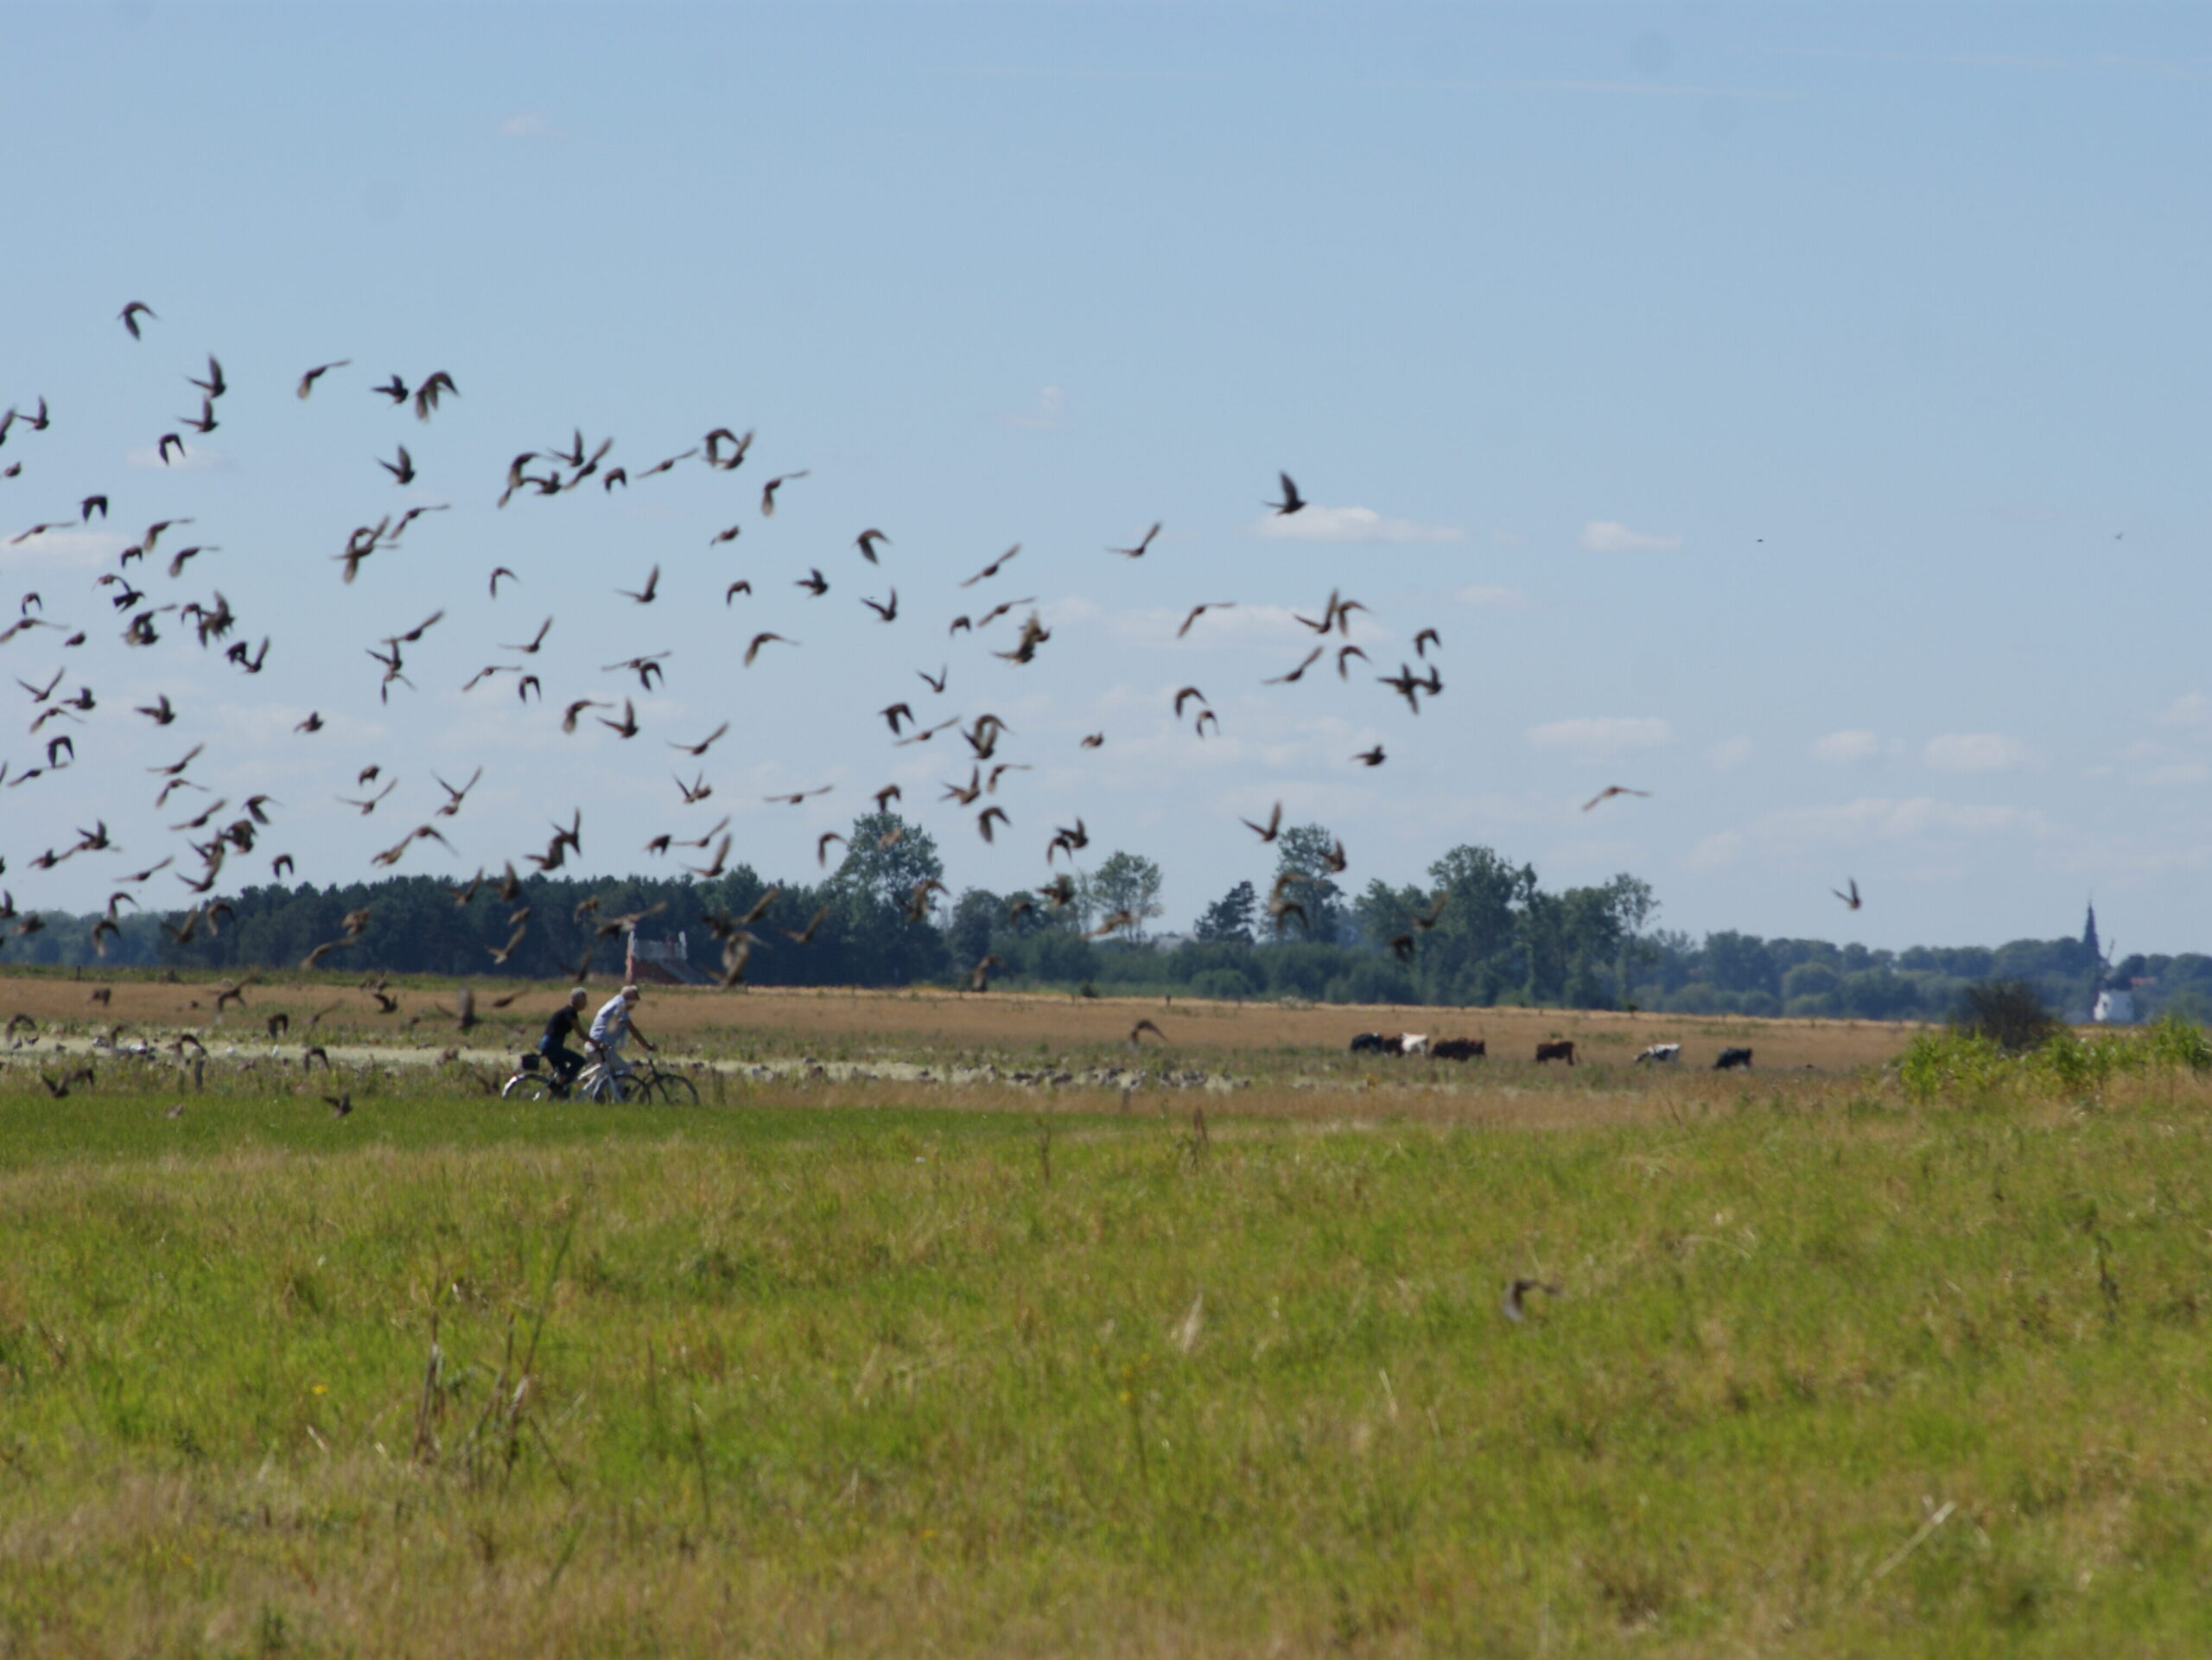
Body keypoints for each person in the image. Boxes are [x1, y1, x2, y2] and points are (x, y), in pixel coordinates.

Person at [587, 983, 654, 1100]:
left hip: (592, 1045)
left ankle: (598, 1097)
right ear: (629, 999)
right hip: (602, 1047)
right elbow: (633, 1030)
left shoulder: (613, 1003)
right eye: (634, 1002)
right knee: (626, 1070)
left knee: (608, 1075)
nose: (634, 1006)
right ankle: (618, 1098)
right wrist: (647, 1046)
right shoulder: (620, 1006)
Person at [537, 987, 589, 1091]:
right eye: (584, 1001)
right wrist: (596, 1043)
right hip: (552, 1045)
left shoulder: (567, 1011)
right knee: (580, 1061)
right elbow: (581, 1033)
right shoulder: (570, 1012)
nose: (586, 1004)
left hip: (548, 1045)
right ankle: (559, 1084)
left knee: (565, 1078)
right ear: (578, 1001)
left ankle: (560, 1094)